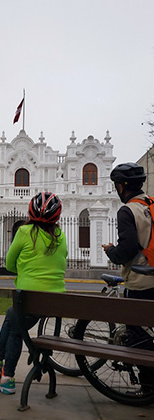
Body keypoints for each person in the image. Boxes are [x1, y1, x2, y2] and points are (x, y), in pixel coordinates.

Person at [0, 192, 68, 394]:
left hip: (29, 301)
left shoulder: (25, 232)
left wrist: (25, 269)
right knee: (12, 317)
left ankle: (5, 373)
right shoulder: (61, 236)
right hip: (56, 302)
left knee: (14, 326)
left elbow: (9, 264)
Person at [102, 162, 154, 391]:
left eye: (116, 185)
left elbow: (128, 249)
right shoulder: (151, 204)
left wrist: (111, 251)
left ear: (123, 186)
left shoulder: (127, 210)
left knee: (139, 335)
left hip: (141, 281)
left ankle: (148, 386)